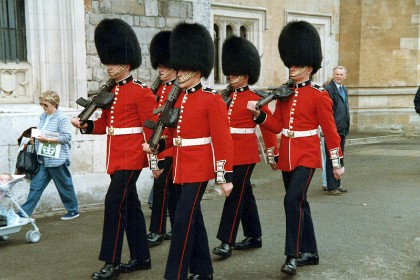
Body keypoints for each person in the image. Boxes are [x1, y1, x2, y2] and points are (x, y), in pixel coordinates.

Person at [247, 20, 345, 276]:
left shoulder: (319, 94)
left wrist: (336, 162)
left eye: (297, 65)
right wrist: (260, 116)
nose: (291, 68)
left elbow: (331, 131)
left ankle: (292, 255)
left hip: (308, 153)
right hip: (288, 155)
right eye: (290, 64)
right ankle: (310, 251)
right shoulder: (284, 93)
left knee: (292, 200)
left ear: (309, 67)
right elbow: (278, 126)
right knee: (299, 203)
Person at [143, 22, 234, 280]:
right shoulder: (177, 98)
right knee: (192, 218)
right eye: (178, 68)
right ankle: (203, 270)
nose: (178, 73)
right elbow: (173, 137)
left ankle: (176, 275)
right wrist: (157, 146)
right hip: (180, 167)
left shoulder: (212, 99)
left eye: (183, 69)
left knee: (182, 221)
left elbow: (222, 140)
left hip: (199, 168)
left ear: (196, 69)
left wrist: (224, 176)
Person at [71, 18, 155, 279]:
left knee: (113, 203)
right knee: (129, 204)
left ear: (126, 64)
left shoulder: (141, 92)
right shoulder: (109, 92)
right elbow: (106, 125)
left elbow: (151, 128)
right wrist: (85, 126)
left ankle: (112, 261)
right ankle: (141, 257)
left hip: (132, 156)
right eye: (108, 62)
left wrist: (155, 161)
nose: (109, 67)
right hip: (115, 155)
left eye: (114, 62)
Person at [212, 35, 279, 259]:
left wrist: (272, 154)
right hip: (227, 152)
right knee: (245, 193)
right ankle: (253, 235)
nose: (230, 76)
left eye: (235, 72)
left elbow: (268, 127)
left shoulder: (255, 98)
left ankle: (226, 241)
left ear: (246, 74)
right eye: (229, 72)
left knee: (235, 195)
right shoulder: (224, 96)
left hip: (245, 152)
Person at [19, 90, 79, 220]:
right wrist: (33, 139)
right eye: (42, 104)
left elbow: (67, 137)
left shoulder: (62, 118)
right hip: (44, 158)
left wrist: (47, 140)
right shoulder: (43, 116)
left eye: (45, 105)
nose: (43, 107)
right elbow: (40, 132)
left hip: (57, 159)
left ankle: (73, 210)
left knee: (64, 185)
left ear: (54, 104)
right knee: (36, 186)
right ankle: (24, 213)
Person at [147, 30, 178, 247]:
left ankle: (158, 230)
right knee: (166, 188)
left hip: (173, 147)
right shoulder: (158, 90)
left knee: (163, 189)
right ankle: (171, 229)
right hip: (160, 146)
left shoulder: (179, 91)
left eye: (165, 66)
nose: (161, 70)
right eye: (160, 66)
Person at [324, 66, 350, 195]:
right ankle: (331, 186)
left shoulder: (344, 89)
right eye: (336, 74)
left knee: (339, 157)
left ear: (345, 76)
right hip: (332, 130)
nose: (338, 76)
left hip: (342, 129)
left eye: (341, 74)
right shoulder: (328, 90)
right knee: (331, 158)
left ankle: (337, 183)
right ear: (333, 75)